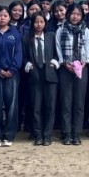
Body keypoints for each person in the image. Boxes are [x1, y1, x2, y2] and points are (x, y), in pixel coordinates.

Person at [56, 4, 89, 145]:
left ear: (82, 16)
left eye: (78, 14)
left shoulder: (86, 31)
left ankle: (76, 133)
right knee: (66, 101)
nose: (75, 16)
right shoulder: (61, 30)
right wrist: (65, 63)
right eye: (72, 14)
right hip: (66, 69)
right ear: (68, 15)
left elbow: (88, 50)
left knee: (78, 102)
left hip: (82, 69)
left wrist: (83, 64)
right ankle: (66, 133)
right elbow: (58, 49)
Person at [0, 6, 22, 146]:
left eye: (5, 15)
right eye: (0, 15)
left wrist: (12, 69)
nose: (2, 18)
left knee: (12, 104)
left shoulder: (15, 33)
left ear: (9, 18)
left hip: (12, 73)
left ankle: (9, 135)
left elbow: (19, 53)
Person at [24, 12, 58, 146]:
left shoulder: (52, 36)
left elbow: (58, 52)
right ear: (32, 23)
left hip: (50, 72)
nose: (39, 25)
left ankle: (47, 135)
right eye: (36, 22)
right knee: (36, 107)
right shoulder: (27, 38)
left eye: (41, 22)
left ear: (45, 23)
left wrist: (55, 61)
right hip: (34, 74)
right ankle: (38, 135)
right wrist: (27, 64)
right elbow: (24, 56)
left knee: (50, 106)